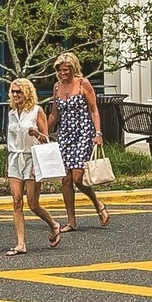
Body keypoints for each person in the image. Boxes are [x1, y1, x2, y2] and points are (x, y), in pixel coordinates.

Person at [41, 52, 109, 231]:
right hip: (65, 135)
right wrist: (44, 133)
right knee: (65, 179)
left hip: (83, 133)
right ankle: (71, 220)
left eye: (66, 70)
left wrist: (98, 132)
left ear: (73, 68)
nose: (63, 73)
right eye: (60, 70)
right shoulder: (57, 87)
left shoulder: (82, 84)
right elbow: (55, 114)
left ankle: (97, 204)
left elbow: (94, 109)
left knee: (78, 177)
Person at [1, 78, 62, 255]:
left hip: (31, 157)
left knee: (33, 204)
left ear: (27, 92)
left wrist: (37, 134)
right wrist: (8, 161)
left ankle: (53, 224)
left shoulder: (36, 111)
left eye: (19, 91)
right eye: (13, 91)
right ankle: (20, 243)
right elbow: (11, 139)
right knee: (17, 201)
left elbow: (47, 139)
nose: (15, 95)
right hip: (15, 158)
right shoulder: (12, 113)